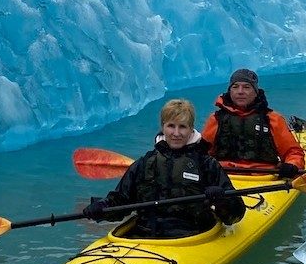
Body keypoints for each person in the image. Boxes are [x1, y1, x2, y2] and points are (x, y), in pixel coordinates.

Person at [83, 99, 245, 238]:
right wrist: (101, 208)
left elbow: (236, 215)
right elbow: (120, 201)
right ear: (163, 127)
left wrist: (222, 198)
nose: (176, 133)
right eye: (171, 126)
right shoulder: (145, 162)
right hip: (147, 234)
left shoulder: (206, 164)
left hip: (193, 235)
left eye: (182, 127)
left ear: (191, 129)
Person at [200, 68, 306, 177]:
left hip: (265, 176)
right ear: (230, 91)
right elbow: (200, 153)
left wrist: (292, 165)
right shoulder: (216, 119)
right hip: (223, 176)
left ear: (256, 92)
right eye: (235, 87)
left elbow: (293, 153)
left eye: (247, 87)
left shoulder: (273, 119)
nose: (240, 91)